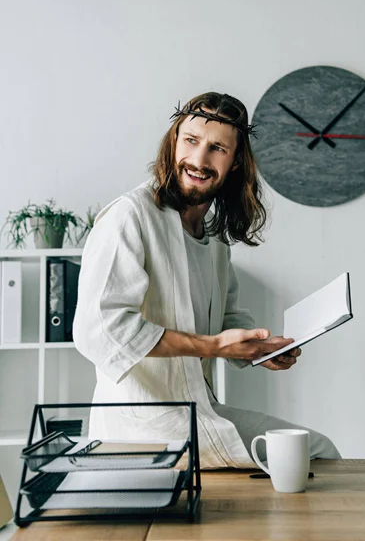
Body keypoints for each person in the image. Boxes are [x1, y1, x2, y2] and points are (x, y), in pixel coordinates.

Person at [73, 91, 340, 468]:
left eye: (217, 148)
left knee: (318, 450)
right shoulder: (129, 217)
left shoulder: (213, 239)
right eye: (191, 141)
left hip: (201, 413)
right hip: (142, 429)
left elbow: (228, 315)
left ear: (234, 163)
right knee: (298, 461)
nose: (199, 160)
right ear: (174, 143)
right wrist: (213, 346)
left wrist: (260, 349)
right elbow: (99, 330)